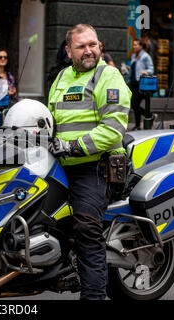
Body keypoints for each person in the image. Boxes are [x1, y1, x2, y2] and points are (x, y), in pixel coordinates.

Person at [47, 24, 131, 300]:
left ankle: (95, 295)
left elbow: (112, 129)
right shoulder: (61, 77)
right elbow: (50, 121)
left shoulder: (109, 75)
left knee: (86, 226)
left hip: (93, 167)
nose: (89, 51)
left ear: (100, 47)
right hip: (59, 164)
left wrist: (73, 147)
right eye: (81, 46)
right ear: (68, 50)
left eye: (93, 45)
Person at [129, 38, 154, 130]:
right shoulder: (133, 56)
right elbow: (134, 69)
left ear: (141, 46)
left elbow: (151, 69)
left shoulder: (146, 56)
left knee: (134, 104)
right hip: (133, 83)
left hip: (141, 83)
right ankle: (138, 125)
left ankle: (149, 116)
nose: (134, 46)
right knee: (134, 105)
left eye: (136, 45)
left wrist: (146, 71)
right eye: (133, 44)